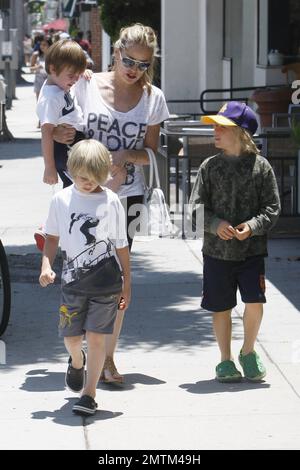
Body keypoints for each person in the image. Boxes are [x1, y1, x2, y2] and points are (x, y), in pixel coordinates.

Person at [53, 23, 170, 383]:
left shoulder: (153, 99)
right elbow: (58, 122)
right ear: (115, 52)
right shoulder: (86, 85)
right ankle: (80, 351)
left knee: (116, 281)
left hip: (126, 198)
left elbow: (153, 154)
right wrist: (58, 133)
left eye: (143, 64)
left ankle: (105, 358)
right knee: (78, 276)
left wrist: (127, 155)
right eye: (128, 60)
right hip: (81, 197)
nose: (134, 69)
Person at [190, 101, 281, 383]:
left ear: (242, 133)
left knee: (255, 302)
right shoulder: (209, 167)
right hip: (217, 253)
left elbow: (272, 208)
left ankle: (248, 351)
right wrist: (215, 225)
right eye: (214, 126)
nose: (215, 131)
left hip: (251, 252)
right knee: (221, 307)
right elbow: (195, 208)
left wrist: (252, 227)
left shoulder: (261, 167)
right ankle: (225, 360)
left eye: (222, 127)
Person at [39, 139, 131, 416]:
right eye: (81, 178)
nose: (87, 183)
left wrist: (128, 281)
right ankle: (76, 362)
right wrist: (46, 264)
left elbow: (120, 244)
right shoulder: (61, 199)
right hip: (73, 283)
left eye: (93, 179)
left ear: (103, 174)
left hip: (106, 283)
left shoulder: (110, 200)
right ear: (71, 170)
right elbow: (52, 238)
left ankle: (89, 394)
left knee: (96, 337)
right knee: (71, 338)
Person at [36, 39, 87, 189]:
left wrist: (85, 73)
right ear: (52, 69)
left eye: (79, 74)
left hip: (72, 141)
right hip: (64, 147)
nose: (76, 79)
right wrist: (49, 167)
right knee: (75, 187)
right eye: (72, 75)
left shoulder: (58, 86)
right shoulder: (50, 98)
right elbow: (46, 133)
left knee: (81, 186)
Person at [30, 36, 52, 105]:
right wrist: (37, 67)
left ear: (49, 45)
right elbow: (31, 69)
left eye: (44, 45)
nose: (42, 46)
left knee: (49, 102)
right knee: (40, 102)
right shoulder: (36, 55)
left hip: (50, 81)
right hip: (39, 80)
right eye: (41, 45)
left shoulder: (53, 55)